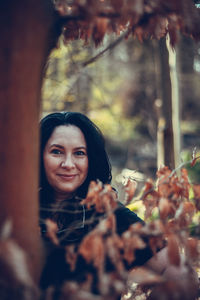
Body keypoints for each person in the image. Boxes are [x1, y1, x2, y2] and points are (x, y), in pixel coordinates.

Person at [39, 112, 198, 298]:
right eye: (56, 151)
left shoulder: (110, 217)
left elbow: (182, 276)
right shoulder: (16, 209)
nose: (68, 164)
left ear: (91, 160)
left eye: (79, 153)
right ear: (39, 155)